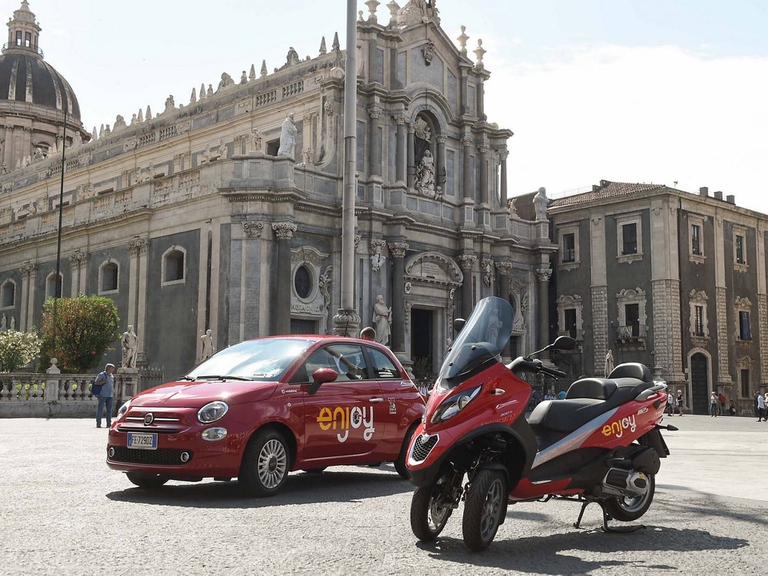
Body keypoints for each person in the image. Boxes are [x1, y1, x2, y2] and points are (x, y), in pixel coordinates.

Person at [94, 363, 115, 428]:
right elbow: (96, 383)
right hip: (103, 394)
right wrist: (104, 382)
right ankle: (98, 423)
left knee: (109, 410)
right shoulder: (102, 375)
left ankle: (109, 423)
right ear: (108, 368)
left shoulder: (112, 376)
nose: (113, 370)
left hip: (110, 395)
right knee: (100, 409)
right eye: (112, 368)